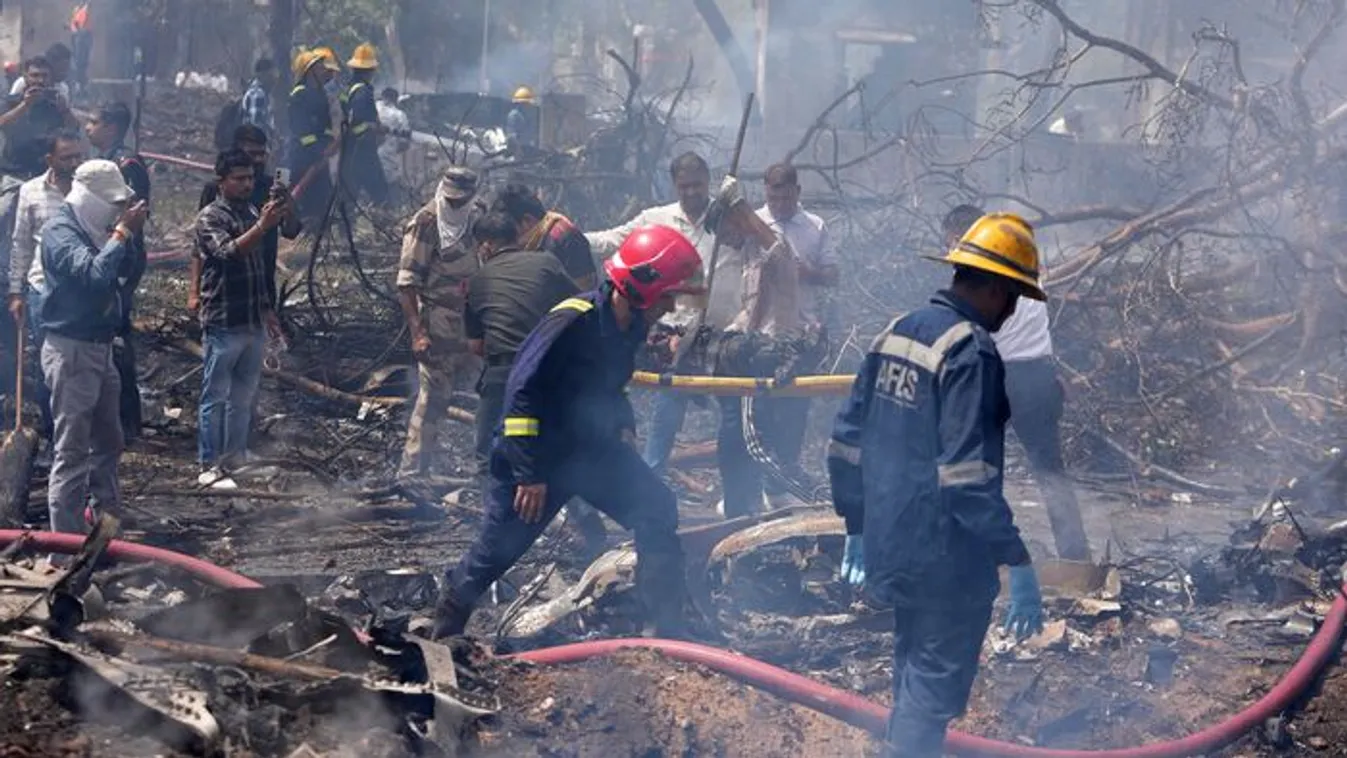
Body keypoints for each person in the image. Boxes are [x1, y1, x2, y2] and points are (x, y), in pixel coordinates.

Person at [828, 212, 1047, 757]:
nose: (1014, 308)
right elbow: (967, 477)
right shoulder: (970, 351)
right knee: (931, 688)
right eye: (1015, 295)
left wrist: (856, 523)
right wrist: (1016, 559)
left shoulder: (895, 331)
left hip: (891, 541)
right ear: (995, 288)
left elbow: (844, 444)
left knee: (912, 670)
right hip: (946, 557)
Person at [432, 225, 705, 639]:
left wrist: (623, 425)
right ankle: (444, 627)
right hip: (539, 459)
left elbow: (608, 386)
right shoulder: (570, 321)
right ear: (643, 285)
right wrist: (528, 472)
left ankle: (665, 629)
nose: (669, 306)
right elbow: (522, 391)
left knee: (657, 508)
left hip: (592, 452)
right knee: (495, 552)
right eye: (667, 294)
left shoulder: (628, 327)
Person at [941, 205, 1091, 562]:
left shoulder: (977, 275)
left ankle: (978, 552)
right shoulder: (1023, 265)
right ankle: (1075, 557)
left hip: (997, 375)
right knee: (1050, 472)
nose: (949, 251)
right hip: (1037, 375)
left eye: (951, 242)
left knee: (974, 467)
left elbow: (976, 332)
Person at [586, 152, 748, 477]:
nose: (692, 192)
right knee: (666, 420)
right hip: (676, 340)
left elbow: (765, 250)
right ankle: (647, 492)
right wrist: (569, 237)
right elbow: (613, 239)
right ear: (675, 184)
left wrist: (739, 205)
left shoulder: (730, 220)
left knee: (734, 422)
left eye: (698, 185)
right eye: (684, 185)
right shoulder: (656, 219)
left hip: (723, 338)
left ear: (708, 181)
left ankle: (739, 502)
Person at [39, 160, 147, 534]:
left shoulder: (97, 228)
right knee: (72, 450)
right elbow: (95, 276)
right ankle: (65, 544)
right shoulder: (60, 231)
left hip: (100, 347)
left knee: (109, 440)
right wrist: (120, 235)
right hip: (71, 349)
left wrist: (128, 238)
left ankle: (105, 525)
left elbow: (124, 274)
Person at [193, 148, 299, 489]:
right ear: (221, 181)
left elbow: (258, 268)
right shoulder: (211, 216)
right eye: (238, 179)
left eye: (250, 178)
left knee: (244, 394)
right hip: (224, 320)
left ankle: (236, 455)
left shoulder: (253, 209)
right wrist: (262, 226)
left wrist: (268, 312)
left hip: (252, 319)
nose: (246, 184)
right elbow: (228, 252)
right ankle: (209, 464)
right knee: (215, 395)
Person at [463, 212, 578, 491]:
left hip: (503, 374)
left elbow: (476, 346)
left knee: (487, 453)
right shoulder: (547, 263)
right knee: (557, 451)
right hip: (548, 370)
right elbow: (578, 307)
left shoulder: (478, 279)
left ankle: (492, 523)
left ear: (487, 246)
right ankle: (589, 527)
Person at [753, 163, 838, 507]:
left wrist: (806, 272)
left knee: (793, 413)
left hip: (801, 336)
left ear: (797, 193)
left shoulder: (815, 227)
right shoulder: (753, 224)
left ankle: (781, 487)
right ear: (766, 193)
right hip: (760, 336)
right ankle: (759, 488)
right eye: (774, 198)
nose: (780, 204)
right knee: (758, 412)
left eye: (786, 198)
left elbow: (833, 275)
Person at [395, 166, 484, 487]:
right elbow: (407, 284)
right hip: (437, 323)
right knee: (433, 398)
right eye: (451, 200)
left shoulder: (479, 218)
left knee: (491, 388)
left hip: (475, 322)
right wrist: (418, 333)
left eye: (462, 201)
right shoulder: (425, 223)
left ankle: (488, 469)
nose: (455, 206)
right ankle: (413, 473)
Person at [7, 130, 84, 457]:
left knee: (78, 365)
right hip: (43, 292)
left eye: (77, 156)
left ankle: (78, 434)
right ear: (49, 159)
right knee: (47, 366)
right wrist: (16, 291)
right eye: (67, 157)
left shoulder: (86, 191)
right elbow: (21, 243)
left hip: (82, 292)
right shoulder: (31, 192)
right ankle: (54, 434)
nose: (74, 163)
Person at [86, 102, 151, 444]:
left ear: (111, 126)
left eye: (93, 121)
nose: (87, 128)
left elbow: (133, 215)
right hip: (107, 257)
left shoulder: (126, 165)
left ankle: (129, 422)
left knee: (119, 338)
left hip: (122, 261)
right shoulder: (106, 162)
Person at [191, 124, 277, 314]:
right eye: (253, 153)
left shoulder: (270, 187)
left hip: (261, 287)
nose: (259, 160)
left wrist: (287, 203)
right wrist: (193, 292)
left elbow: (291, 230)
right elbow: (199, 245)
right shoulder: (214, 191)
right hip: (223, 292)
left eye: (262, 154)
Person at [491, 182, 596, 288]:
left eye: (509, 227)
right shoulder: (530, 241)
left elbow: (583, 287)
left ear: (527, 220)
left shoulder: (566, 239)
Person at [287, 49, 340, 224]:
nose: (324, 70)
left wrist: (328, 142)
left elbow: (324, 126)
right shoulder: (299, 94)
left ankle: (315, 232)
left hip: (317, 155)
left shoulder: (320, 94)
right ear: (308, 71)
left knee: (323, 194)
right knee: (293, 196)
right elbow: (302, 130)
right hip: (300, 155)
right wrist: (319, 150)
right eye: (318, 67)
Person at [340, 43, 389, 205]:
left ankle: (342, 225)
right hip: (363, 149)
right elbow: (358, 119)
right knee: (381, 192)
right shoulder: (363, 91)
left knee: (349, 194)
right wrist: (375, 127)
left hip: (351, 147)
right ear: (371, 70)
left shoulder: (350, 88)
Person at [10, 45, 74, 108]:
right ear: (51, 66)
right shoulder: (22, 83)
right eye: (61, 69)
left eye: (66, 68)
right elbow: (10, 108)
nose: (64, 73)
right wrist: (26, 103)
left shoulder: (62, 88)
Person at [375, 87, 410, 198]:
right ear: (395, 99)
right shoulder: (399, 115)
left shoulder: (374, 107)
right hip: (388, 155)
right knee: (390, 182)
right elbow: (405, 142)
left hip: (368, 151)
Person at [242, 58, 277, 138]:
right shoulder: (257, 94)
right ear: (262, 75)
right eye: (271, 75)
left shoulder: (265, 93)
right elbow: (255, 128)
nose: (274, 78)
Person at [70, 4, 92, 101]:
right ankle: (79, 87)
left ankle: (81, 87)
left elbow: (79, 25)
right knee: (79, 64)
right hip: (80, 36)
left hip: (82, 36)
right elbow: (75, 25)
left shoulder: (84, 10)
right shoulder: (79, 10)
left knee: (81, 64)